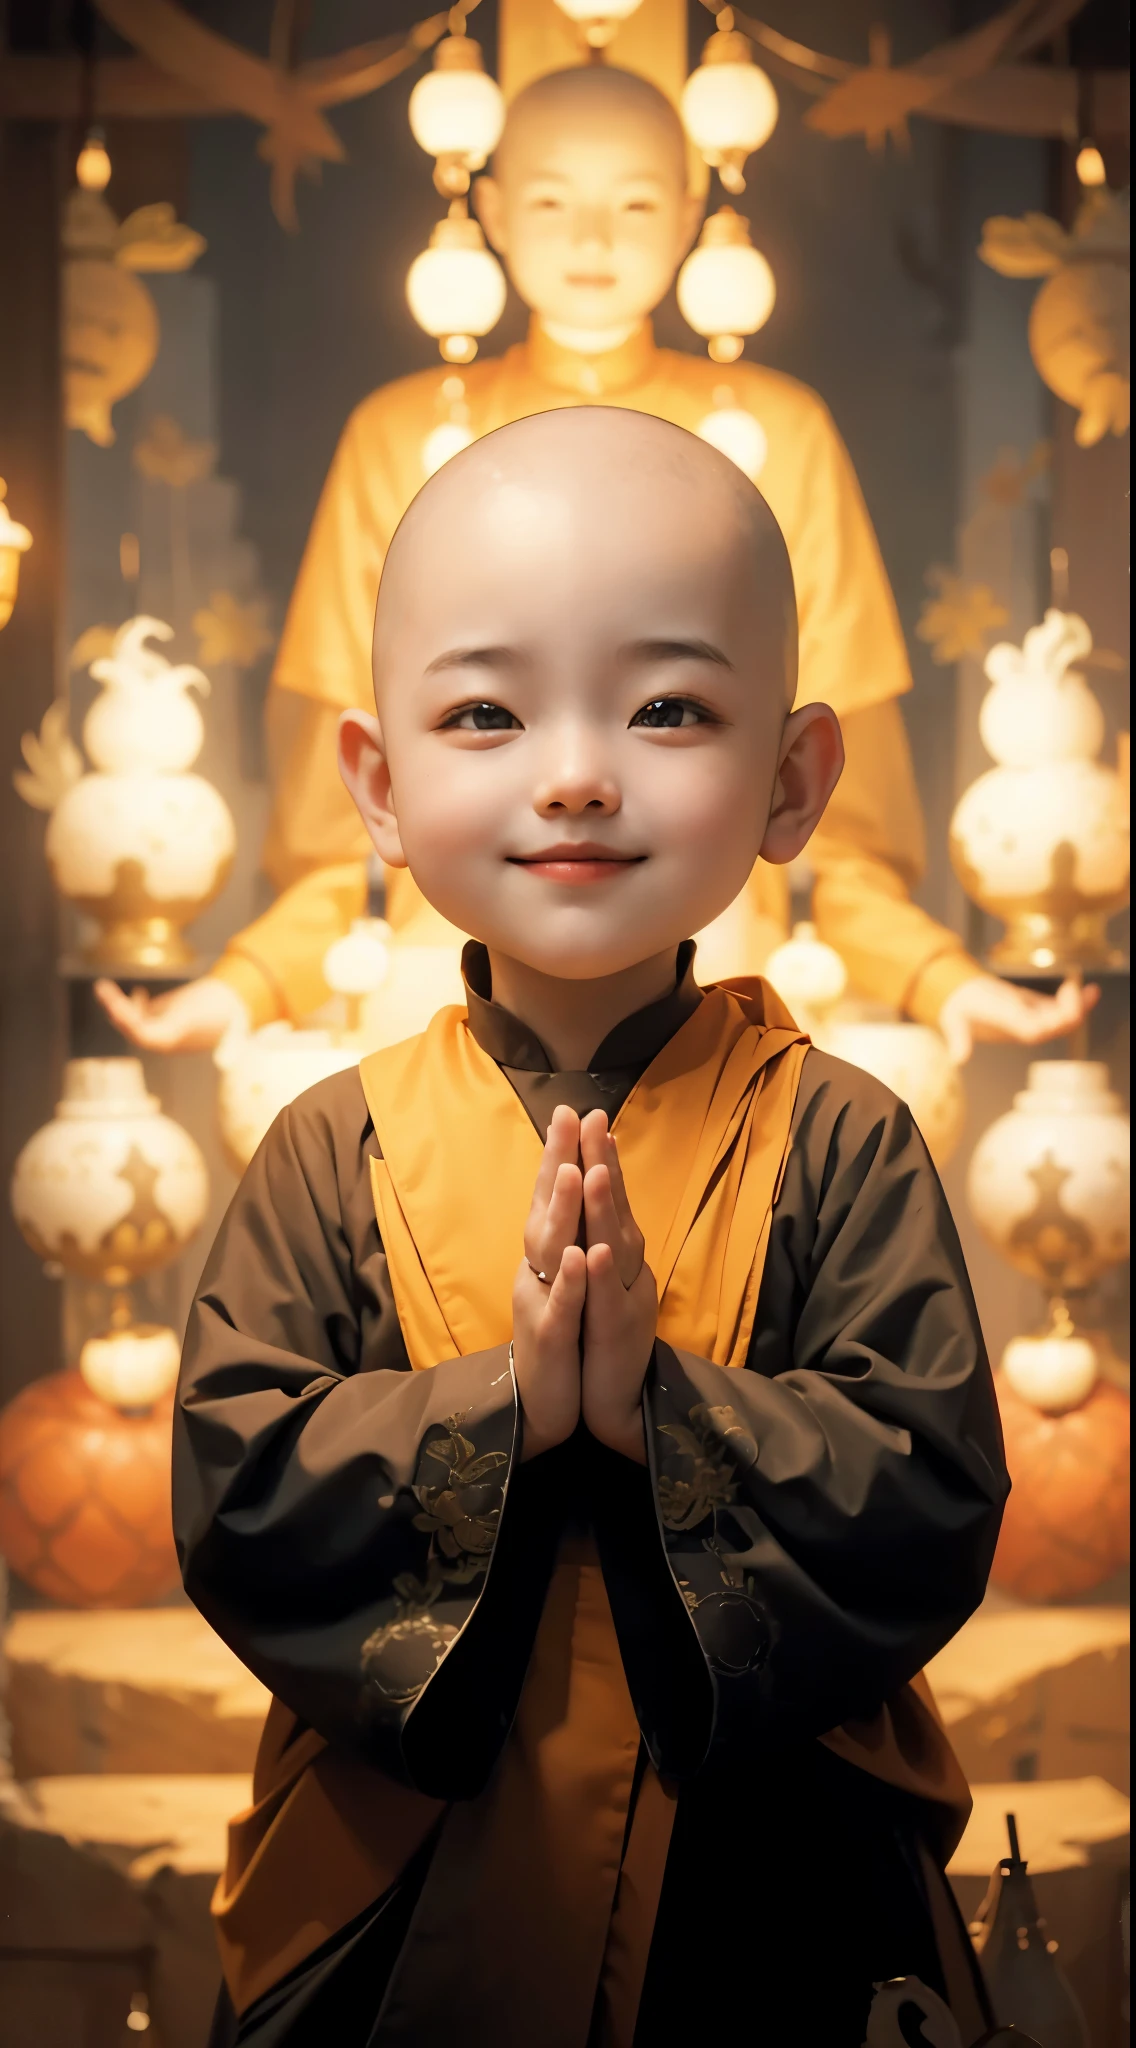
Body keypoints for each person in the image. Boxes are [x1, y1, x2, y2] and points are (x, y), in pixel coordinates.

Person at [178, 408, 1007, 2048]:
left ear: (792, 778)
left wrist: (660, 1414)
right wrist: (511, 1409)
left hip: (762, 1882)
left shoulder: (836, 1133)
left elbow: (929, 1486)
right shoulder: (325, 1145)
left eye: (668, 706)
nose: (573, 769)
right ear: (378, 783)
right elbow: (235, 1486)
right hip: (394, 1881)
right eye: (485, 709)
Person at [98, 62, 1094, 1068]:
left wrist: (931, 971)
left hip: (707, 964)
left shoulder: (775, 436)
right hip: (439, 970)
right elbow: (352, 823)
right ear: (484, 206)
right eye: (548, 200)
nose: (590, 240)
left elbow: (822, 814)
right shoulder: (399, 438)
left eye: (632, 201)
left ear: (689, 210)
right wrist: (254, 978)